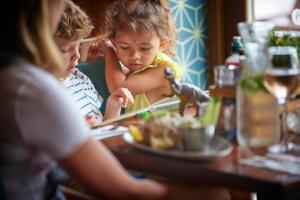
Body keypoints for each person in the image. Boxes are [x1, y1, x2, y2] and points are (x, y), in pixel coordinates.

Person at [0, 0, 231, 200]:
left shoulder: (15, 78)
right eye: (66, 49)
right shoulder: (33, 89)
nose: (77, 57)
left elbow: (40, 181)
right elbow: (125, 192)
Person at [55, 0, 133, 127]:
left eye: (79, 45)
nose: (77, 56)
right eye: (65, 49)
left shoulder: (80, 79)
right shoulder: (42, 95)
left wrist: (112, 108)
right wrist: (78, 132)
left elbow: (101, 130)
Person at [98, 0, 182, 113]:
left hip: (161, 130)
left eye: (145, 48)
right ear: (114, 42)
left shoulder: (165, 70)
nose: (134, 56)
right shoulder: (138, 67)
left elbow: (119, 88)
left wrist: (109, 51)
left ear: (162, 44)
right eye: (125, 47)